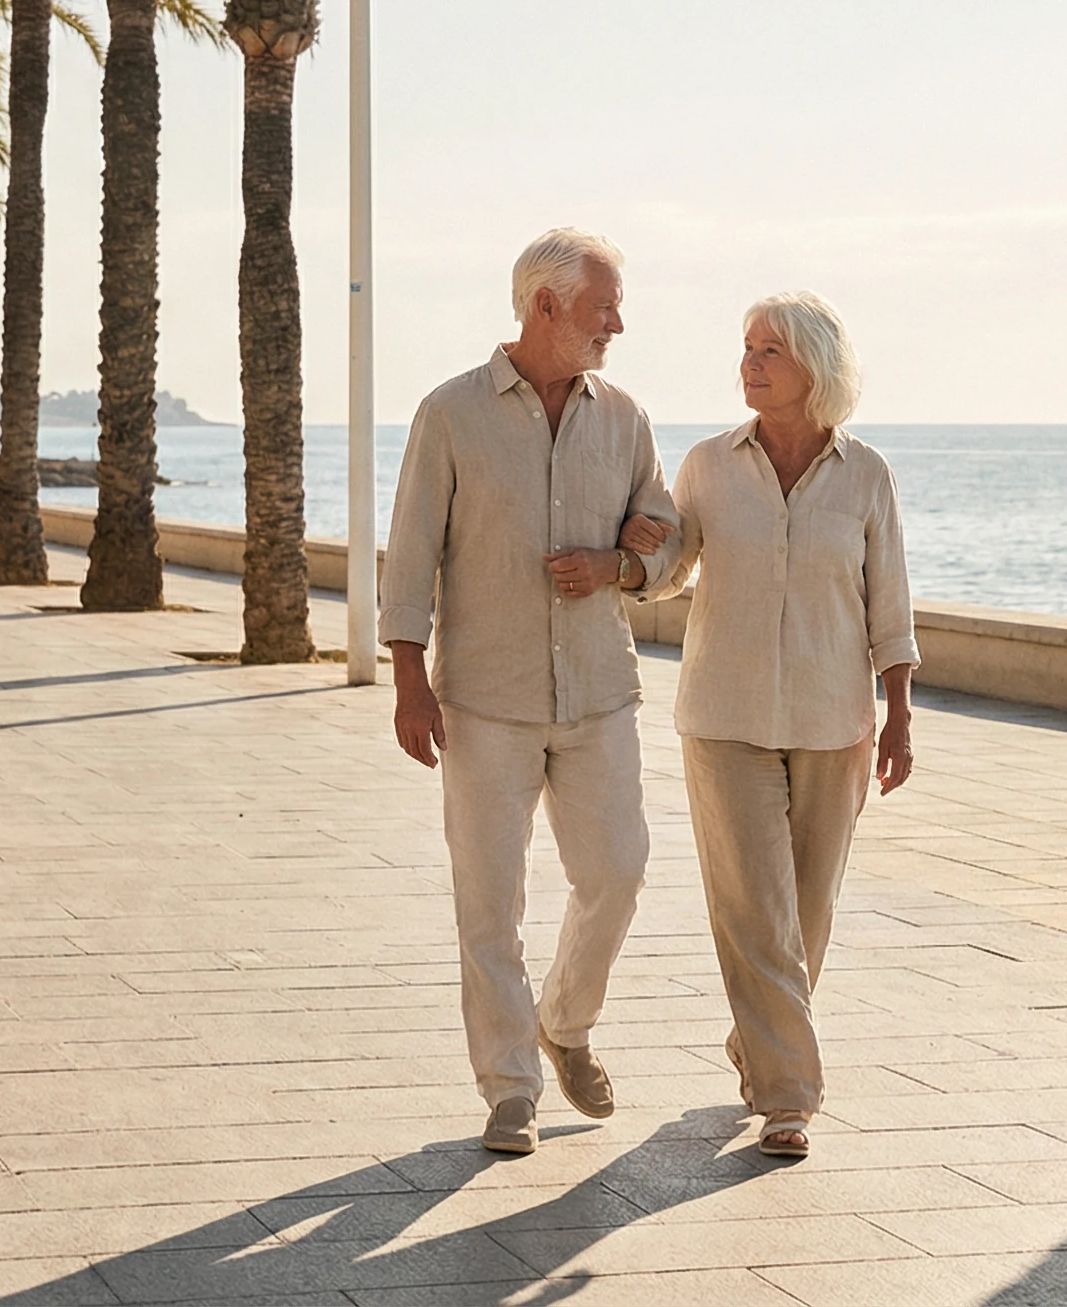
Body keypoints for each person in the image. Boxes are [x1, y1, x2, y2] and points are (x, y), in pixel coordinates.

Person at [380, 228, 685, 1157]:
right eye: (603, 310)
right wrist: (407, 676)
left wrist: (622, 566)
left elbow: (668, 547)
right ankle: (510, 1087)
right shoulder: (450, 413)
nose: (617, 326)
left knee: (619, 872)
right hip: (484, 698)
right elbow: (412, 551)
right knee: (490, 901)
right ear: (544, 306)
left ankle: (565, 1020)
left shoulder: (625, 417)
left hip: (598, 693)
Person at [631, 291, 916, 1159]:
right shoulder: (710, 466)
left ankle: (759, 1046)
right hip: (724, 715)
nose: (749, 364)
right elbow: (671, 569)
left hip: (836, 720)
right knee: (756, 910)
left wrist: (899, 714)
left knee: (807, 912)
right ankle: (790, 1096)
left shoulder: (866, 474)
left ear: (814, 369)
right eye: (747, 348)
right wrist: (633, 554)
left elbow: (889, 601)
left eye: (770, 352)